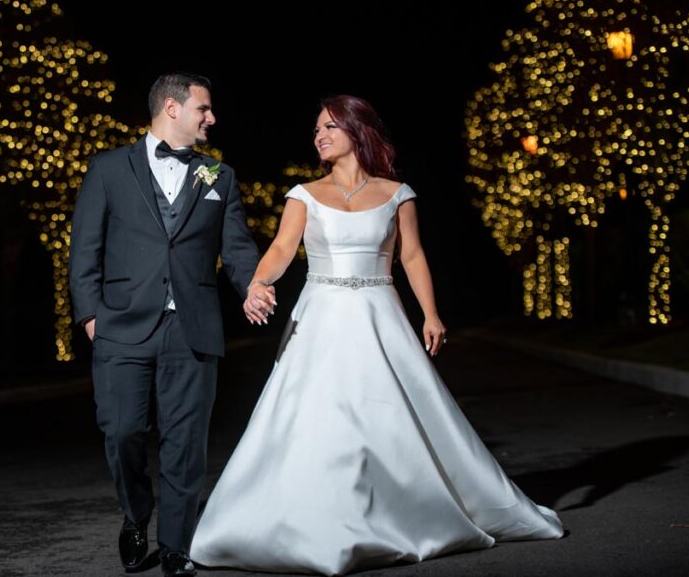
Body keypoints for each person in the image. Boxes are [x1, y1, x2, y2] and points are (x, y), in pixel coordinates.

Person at [189, 95, 563, 575]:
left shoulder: (397, 193)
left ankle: (399, 510)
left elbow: (412, 256)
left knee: (387, 415)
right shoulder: (303, 194)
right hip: (322, 316)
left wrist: (431, 314)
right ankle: (317, 521)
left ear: (356, 130)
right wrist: (259, 283)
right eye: (316, 129)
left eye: (330, 127)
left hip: (380, 314)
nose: (320, 136)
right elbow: (282, 248)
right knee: (321, 416)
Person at [69, 73, 260, 577]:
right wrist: (89, 316)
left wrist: (253, 287)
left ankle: (176, 542)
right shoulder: (108, 168)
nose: (212, 118)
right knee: (122, 431)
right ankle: (135, 515)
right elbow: (84, 248)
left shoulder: (219, 176)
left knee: (186, 440)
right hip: (120, 324)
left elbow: (237, 250)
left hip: (193, 327)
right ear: (172, 108)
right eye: (204, 108)